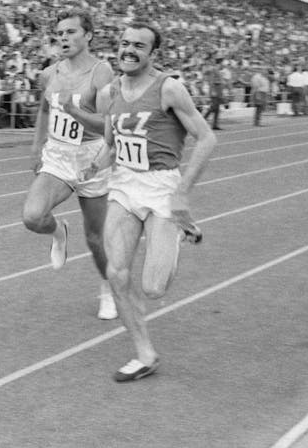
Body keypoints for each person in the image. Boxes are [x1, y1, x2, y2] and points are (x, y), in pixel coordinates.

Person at [86, 22, 217, 382]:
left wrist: (181, 192)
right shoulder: (108, 92)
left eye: (139, 46)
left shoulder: (169, 88)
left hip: (162, 187)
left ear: (152, 53)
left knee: (153, 288)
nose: (129, 50)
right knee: (116, 272)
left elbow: (205, 139)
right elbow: (112, 144)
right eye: (124, 43)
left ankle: (180, 226)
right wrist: (93, 165)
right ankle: (145, 353)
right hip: (125, 187)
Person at [22, 11, 117, 321]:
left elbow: (108, 122)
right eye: (59, 32)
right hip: (58, 156)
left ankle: (106, 288)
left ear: (88, 35)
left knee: (95, 239)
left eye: (70, 31)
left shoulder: (102, 73)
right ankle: (59, 230)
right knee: (33, 217)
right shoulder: (49, 74)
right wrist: (37, 146)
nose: (62, 37)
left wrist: (74, 110)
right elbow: (45, 110)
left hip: (91, 158)